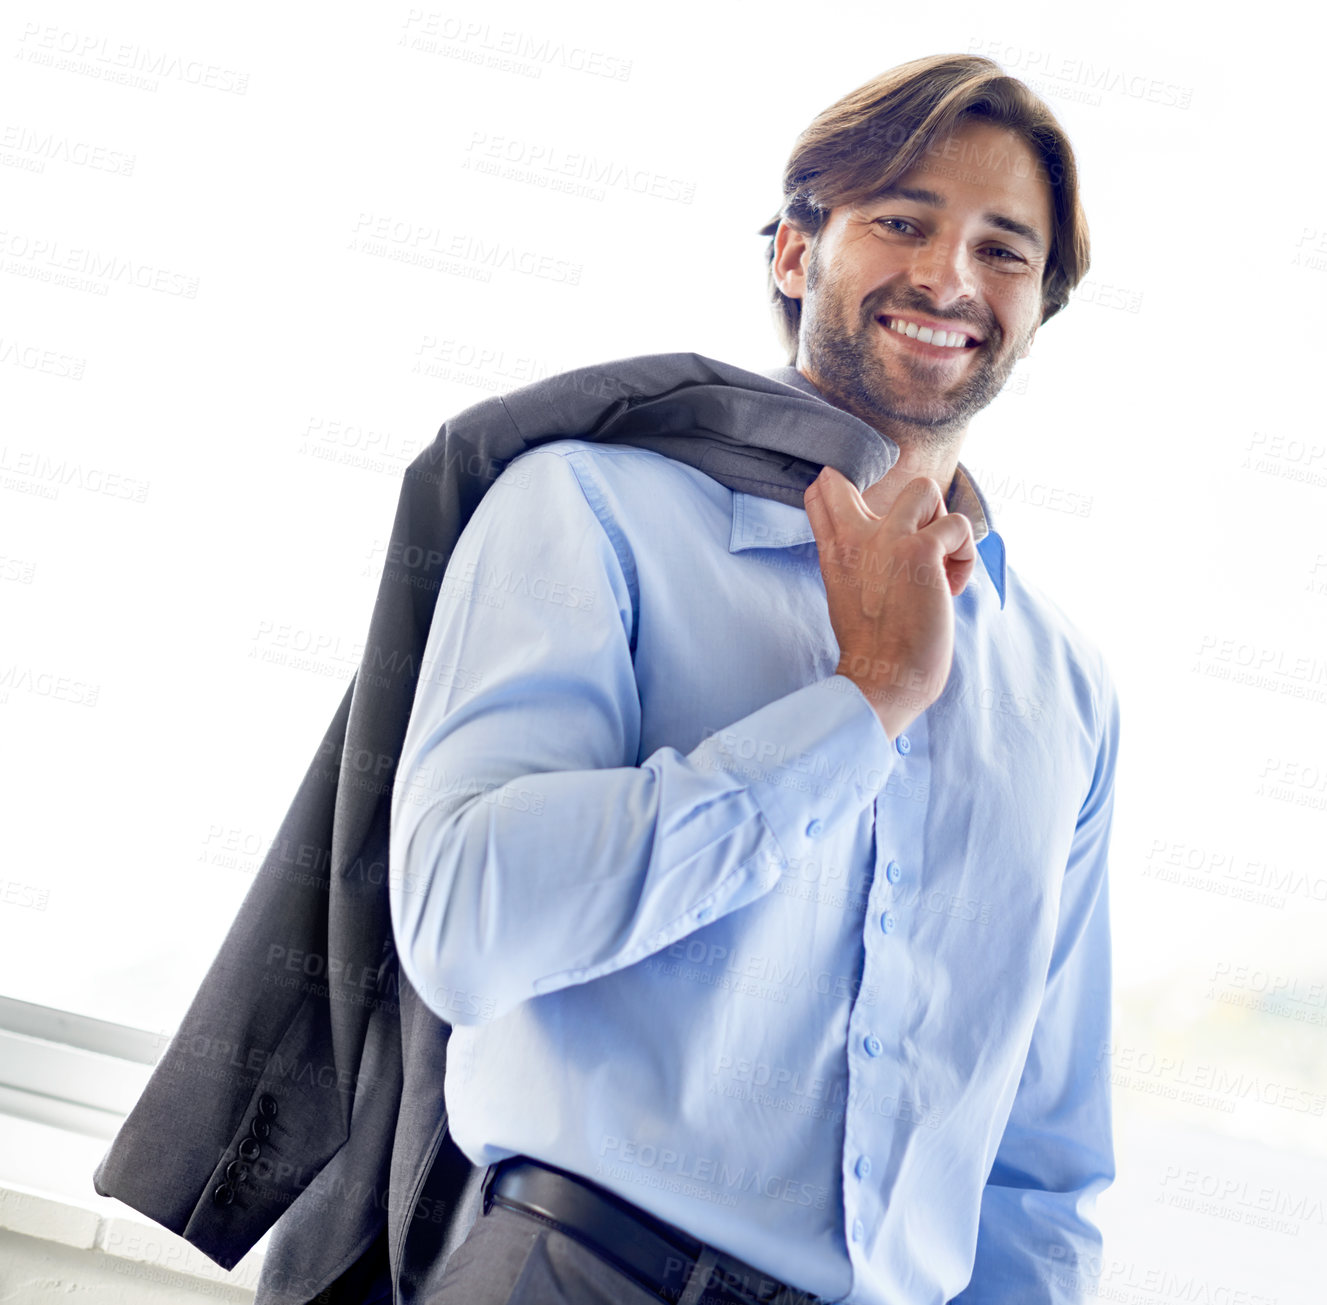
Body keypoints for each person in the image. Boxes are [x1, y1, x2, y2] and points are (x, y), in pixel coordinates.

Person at [390, 52, 1118, 1305]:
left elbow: (1040, 1163)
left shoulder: (1063, 691)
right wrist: (862, 705)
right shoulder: (588, 512)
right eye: (903, 221)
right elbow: (464, 928)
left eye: (1005, 249)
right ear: (794, 253)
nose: (950, 275)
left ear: (1039, 309)